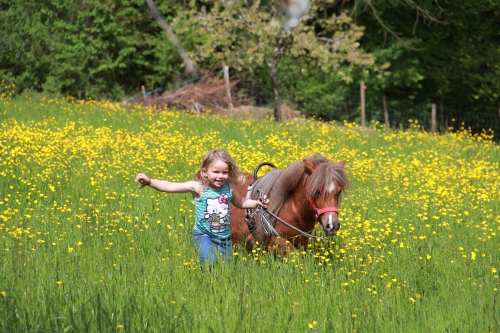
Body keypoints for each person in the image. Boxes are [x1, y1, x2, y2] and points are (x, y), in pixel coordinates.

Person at [134, 149, 269, 266]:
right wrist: (149, 181)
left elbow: (242, 202)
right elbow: (170, 186)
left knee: (226, 267)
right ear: (204, 172)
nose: (220, 176)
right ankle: (201, 272)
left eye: (224, 172)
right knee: (210, 261)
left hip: (225, 238)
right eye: (216, 172)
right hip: (204, 235)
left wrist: (256, 203)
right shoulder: (198, 187)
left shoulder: (229, 187)